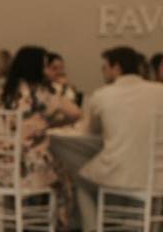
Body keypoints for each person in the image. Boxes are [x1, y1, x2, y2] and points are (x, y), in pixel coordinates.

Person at [69, 46, 163, 232]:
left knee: (81, 178)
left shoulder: (102, 95)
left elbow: (90, 131)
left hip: (119, 171)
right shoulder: (160, 91)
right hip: (158, 175)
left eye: (105, 67)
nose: (104, 72)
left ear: (117, 68)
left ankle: (93, 228)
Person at [0, 46, 81, 228]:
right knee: (66, 180)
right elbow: (75, 113)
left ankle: (16, 224)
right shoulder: (41, 93)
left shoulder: (5, 92)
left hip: (2, 166)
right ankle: (49, 225)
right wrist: (52, 123)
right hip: (28, 167)